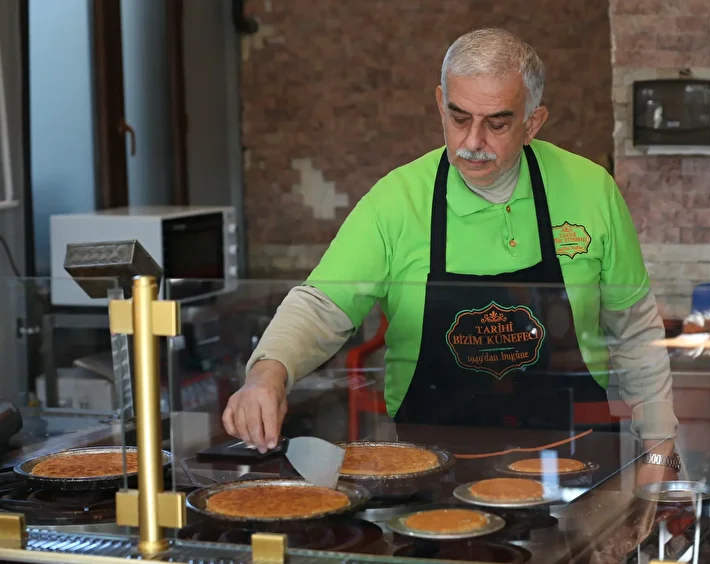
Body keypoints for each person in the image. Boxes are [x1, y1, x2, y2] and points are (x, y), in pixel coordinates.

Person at [223, 28, 679, 481]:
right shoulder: (396, 201)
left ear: (533, 123)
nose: (473, 141)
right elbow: (322, 305)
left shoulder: (590, 189)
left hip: (574, 464)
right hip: (430, 475)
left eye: (497, 124)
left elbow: (635, 328)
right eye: (459, 118)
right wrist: (268, 373)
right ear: (441, 103)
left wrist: (660, 453)